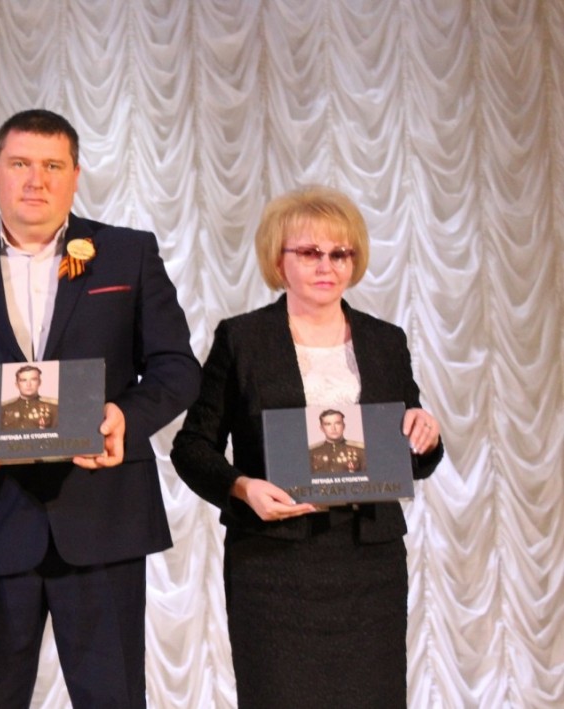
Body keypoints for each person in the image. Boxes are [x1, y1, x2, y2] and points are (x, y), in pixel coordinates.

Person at [0, 109, 200, 708]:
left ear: (75, 176)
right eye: (20, 164)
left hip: (103, 520)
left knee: (113, 700)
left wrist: (125, 418)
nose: (35, 180)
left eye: (52, 166)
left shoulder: (127, 254)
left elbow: (177, 368)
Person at [170, 185, 444, 709]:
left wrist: (425, 435)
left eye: (340, 253)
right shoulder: (242, 339)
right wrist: (242, 487)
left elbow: (412, 456)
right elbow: (192, 447)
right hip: (273, 564)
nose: (326, 266)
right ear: (279, 260)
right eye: (310, 252)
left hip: (370, 561)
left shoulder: (386, 341)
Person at [0, 364, 58, 430]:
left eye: (33, 379)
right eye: (23, 380)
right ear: (17, 384)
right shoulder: (3, 409)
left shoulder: (54, 408)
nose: (28, 384)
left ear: (39, 382)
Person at [309, 408, 366, 474]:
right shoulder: (311, 452)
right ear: (322, 428)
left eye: (337, 423)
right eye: (328, 424)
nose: (333, 428)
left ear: (343, 426)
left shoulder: (361, 450)